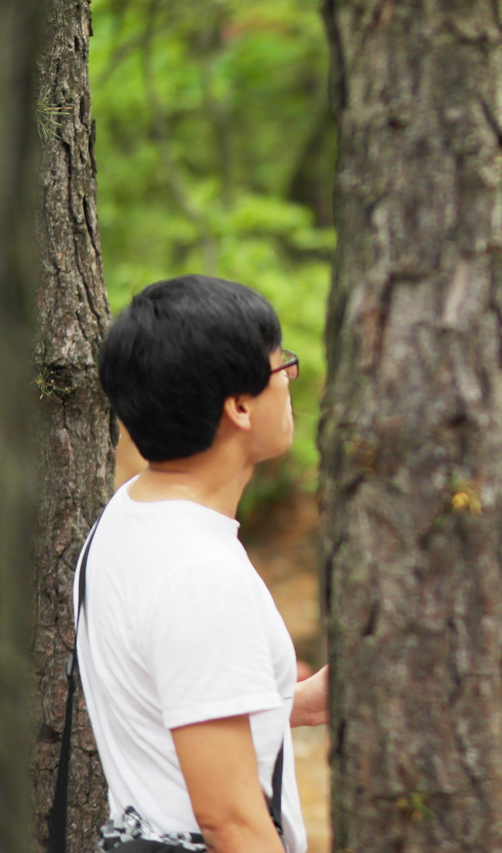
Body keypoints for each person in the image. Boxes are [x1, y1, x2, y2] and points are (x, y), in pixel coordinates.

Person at [81, 275, 328, 853]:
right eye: (279, 367)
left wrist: (300, 703)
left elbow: (173, 703)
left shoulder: (126, 516)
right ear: (240, 406)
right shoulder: (199, 576)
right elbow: (231, 821)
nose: (290, 379)